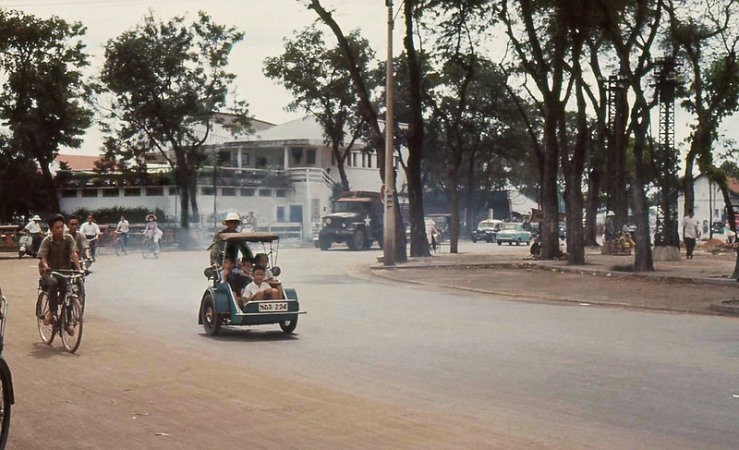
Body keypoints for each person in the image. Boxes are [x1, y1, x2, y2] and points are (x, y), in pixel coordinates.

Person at [37, 214, 82, 332]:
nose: (60, 229)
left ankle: (68, 323)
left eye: (62, 227)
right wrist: (46, 267)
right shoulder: (47, 240)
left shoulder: (68, 239)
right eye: (57, 227)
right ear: (51, 229)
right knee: (53, 283)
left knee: (68, 292)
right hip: (49, 273)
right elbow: (43, 257)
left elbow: (73, 253)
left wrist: (79, 269)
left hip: (64, 272)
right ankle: (52, 313)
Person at [210, 212, 252, 291]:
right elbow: (214, 251)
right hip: (221, 261)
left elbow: (246, 250)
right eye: (231, 222)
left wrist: (251, 260)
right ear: (227, 223)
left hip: (234, 262)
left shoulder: (239, 236)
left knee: (245, 275)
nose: (233, 224)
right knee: (219, 276)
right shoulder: (220, 235)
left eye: (235, 222)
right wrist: (214, 263)